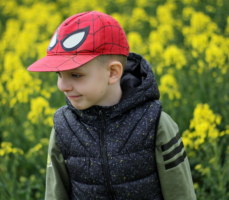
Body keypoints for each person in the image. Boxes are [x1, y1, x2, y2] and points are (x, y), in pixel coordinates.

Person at [27, 11, 196, 200]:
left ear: (113, 73)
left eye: (75, 75)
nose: (62, 86)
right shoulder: (63, 127)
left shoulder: (155, 122)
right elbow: (55, 193)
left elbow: (180, 191)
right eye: (58, 75)